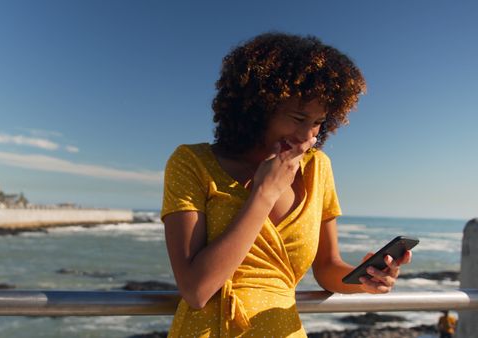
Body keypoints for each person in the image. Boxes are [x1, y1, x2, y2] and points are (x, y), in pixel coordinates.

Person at [161, 32, 413, 338]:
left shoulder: (317, 168)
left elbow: (327, 268)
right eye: (297, 117)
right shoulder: (192, 162)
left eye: (319, 122)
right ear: (257, 108)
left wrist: (366, 279)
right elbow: (196, 289)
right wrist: (264, 193)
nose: (309, 136)